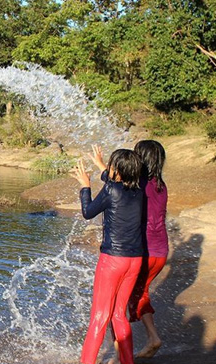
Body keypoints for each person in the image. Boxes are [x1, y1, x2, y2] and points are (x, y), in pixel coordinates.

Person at [71, 147, 144, 364]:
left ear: (119, 172)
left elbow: (88, 212)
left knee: (99, 317)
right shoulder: (139, 190)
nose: (109, 170)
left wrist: (85, 187)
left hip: (113, 260)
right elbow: (115, 182)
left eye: (112, 166)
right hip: (135, 259)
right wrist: (101, 165)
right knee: (119, 314)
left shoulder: (111, 190)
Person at [127, 140, 168, 358]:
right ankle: (148, 337)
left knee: (132, 293)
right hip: (161, 252)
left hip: (144, 251)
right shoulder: (161, 185)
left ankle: (151, 338)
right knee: (140, 291)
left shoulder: (139, 185)